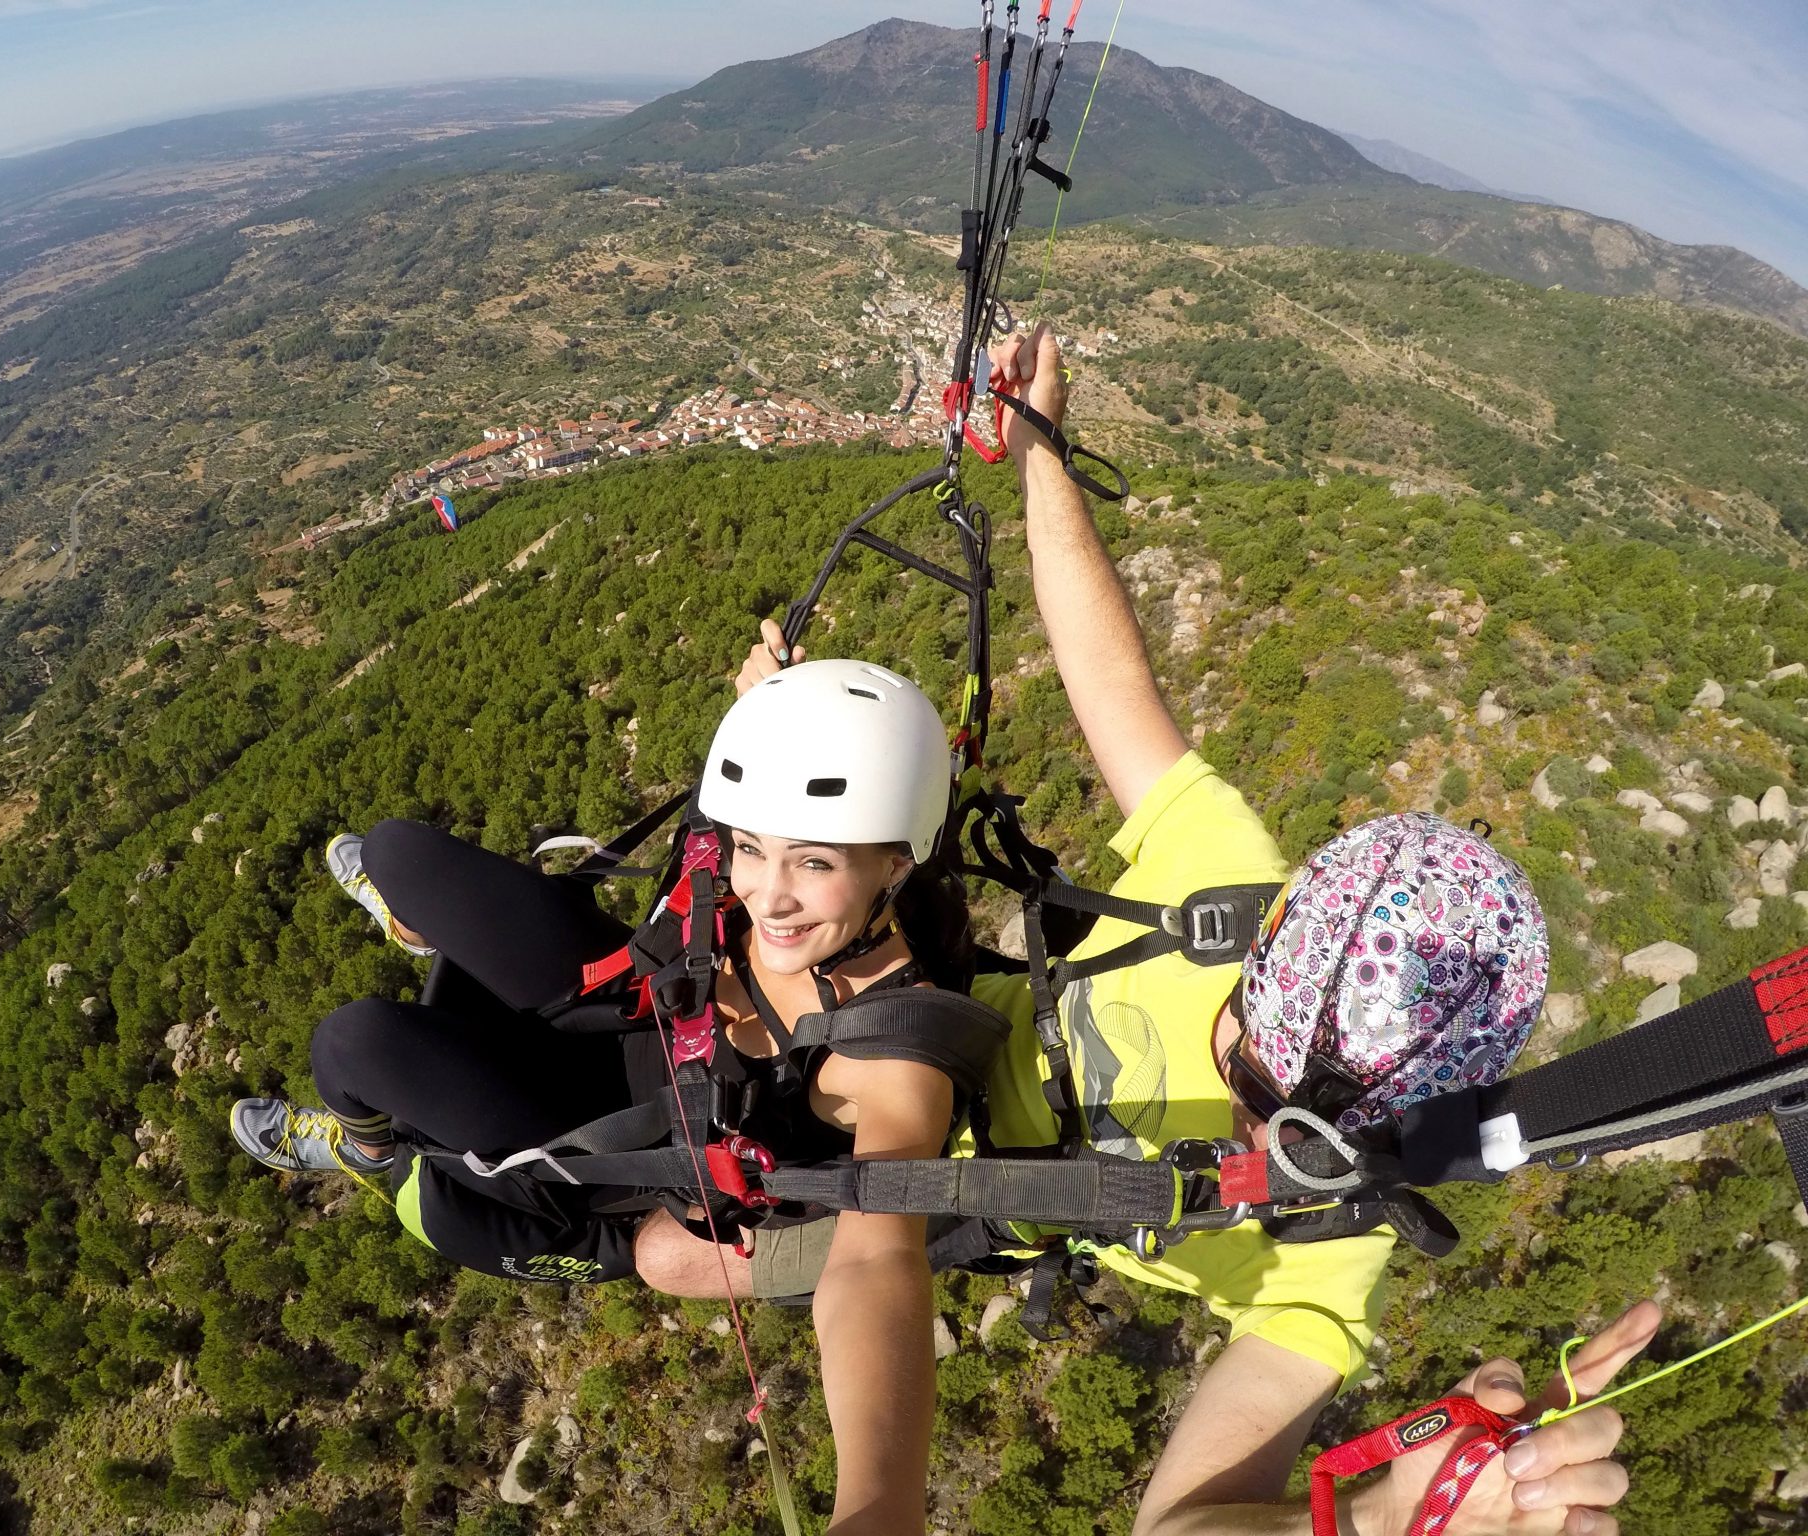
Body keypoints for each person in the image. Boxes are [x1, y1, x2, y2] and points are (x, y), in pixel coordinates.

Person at [664, 325, 1657, 1534]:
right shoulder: (1223, 884)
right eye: (1256, 1068)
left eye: (1314, 1134)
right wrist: (1037, 449)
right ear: (1274, 939)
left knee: (672, 1253)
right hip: (930, 1024)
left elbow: (1177, 1528)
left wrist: (1379, 1519)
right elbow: (1104, 671)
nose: (1261, 1128)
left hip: (958, 1195)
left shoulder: (1327, 1244)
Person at [229, 657, 1011, 1536]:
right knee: (398, 850)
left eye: (816, 862)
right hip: (634, 1005)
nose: (769, 897)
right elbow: (763, 837)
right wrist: (767, 713)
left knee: (353, 1045)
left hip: (621, 1144)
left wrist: (880, 1506)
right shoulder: (776, 875)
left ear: (896, 862)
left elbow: (876, 1262)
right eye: (752, 846)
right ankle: (411, 919)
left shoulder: (898, 1051)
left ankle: (364, 1147)